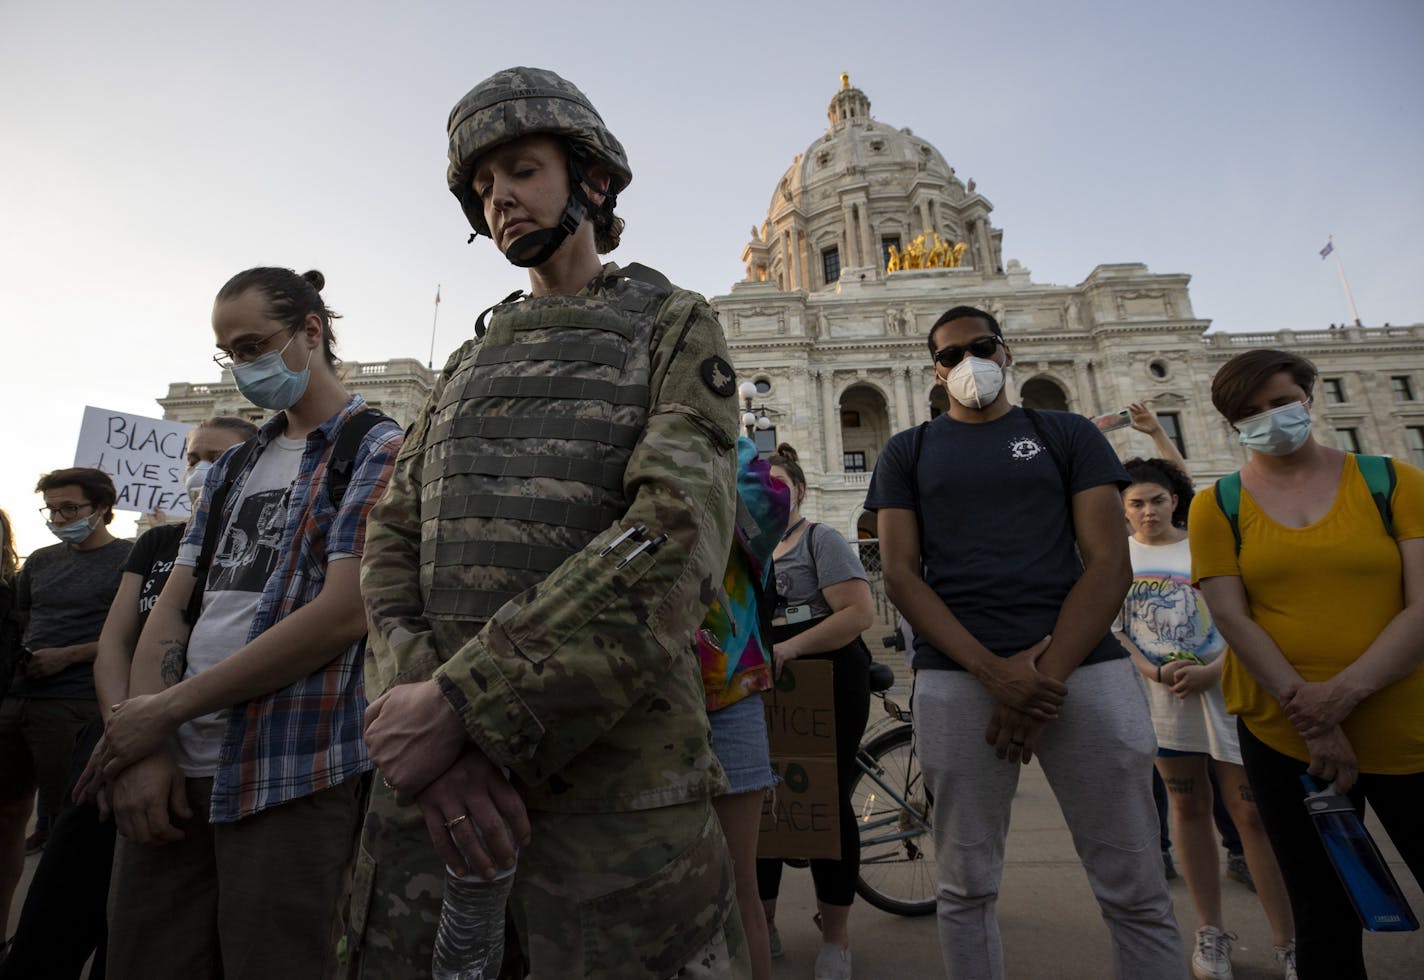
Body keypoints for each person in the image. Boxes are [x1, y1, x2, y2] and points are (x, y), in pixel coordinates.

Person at [352, 67, 746, 979]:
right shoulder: (464, 360)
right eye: (483, 188)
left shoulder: (671, 325)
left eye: (522, 170)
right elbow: (390, 544)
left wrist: (462, 708)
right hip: (437, 803)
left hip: (613, 807)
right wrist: (430, 726)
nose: (500, 200)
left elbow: (674, 536)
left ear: (592, 181)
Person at [86, 268, 402, 980]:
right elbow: (174, 604)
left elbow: (344, 612)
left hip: (286, 766)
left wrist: (163, 710)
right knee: (146, 956)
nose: (242, 366)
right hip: (172, 762)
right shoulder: (233, 466)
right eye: (228, 353)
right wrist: (150, 743)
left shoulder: (378, 448)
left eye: (254, 345)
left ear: (311, 333)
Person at [867, 305, 1186, 979]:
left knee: (1134, 884)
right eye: (951, 356)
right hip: (960, 676)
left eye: (980, 347)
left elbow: (1109, 562)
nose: (967, 363)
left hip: (1082, 669)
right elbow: (898, 573)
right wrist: (993, 672)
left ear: (1007, 352)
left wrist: (1039, 678)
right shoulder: (908, 449)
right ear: (934, 370)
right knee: (963, 885)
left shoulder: (1066, 432)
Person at [1191, 349, 1424, 979]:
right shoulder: (1217, 504)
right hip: (1285, 734)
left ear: (1308, 397)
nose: (1269, 418)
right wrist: (1317, 720)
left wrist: (1341, 696)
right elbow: (1233, 618)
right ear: (1230, 423)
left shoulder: (1394, 480)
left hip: (1406, 730)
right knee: (1321, 916)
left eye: (1280, 403)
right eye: (1250, 412)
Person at [0, 418, 257, 980]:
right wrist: (128, 732)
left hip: (204, 745)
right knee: (61, 898)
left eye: (218, 456)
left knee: (148, 922)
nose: (201, 470)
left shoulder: (265, 545)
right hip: (118, 736)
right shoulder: (160, 542)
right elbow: (117, 641)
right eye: (193, 458)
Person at [1115, 456, 1296, 980]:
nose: (1147, 512)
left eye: (1156, 500)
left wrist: (1218, 669)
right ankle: (1210, 931)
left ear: (1175, 499)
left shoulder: (1207, 543)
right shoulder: (1115, 557)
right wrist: (1150, 670)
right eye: (1136, 503)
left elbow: (1251, 614)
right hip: (1165, 703)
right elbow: (1115, 628)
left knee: (1252, 816)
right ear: (1123, 508)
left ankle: (1288, 939)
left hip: (1229, 693)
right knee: (1187, 810)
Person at [755, 444, 875, 980]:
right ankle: (765, 924)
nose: (771, 494)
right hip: (766, 688)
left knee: (825, 802)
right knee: (761, 803)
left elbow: (858, 613)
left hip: (828, 679)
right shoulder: (751, 552)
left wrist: (792, 648)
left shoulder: (821, 540)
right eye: (761, 486)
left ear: (799, 490)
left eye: (781, 483)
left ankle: (837, 938)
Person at [0, 469, 131, 948]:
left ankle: (53, 939)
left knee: (68, 829)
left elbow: (131, 635)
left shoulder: (128, 558)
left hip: (73, 704)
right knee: (10, 815)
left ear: (101, 508)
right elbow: (24, 620)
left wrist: (68, 655)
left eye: (69, 509)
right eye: (51, 510)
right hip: (18, 698)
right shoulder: (39, 561)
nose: (58, 518)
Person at [702, 437, 789, 980]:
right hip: (628, 691)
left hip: (724, 685)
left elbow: (769, 505)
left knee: (738, 886)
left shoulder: (724, 446)